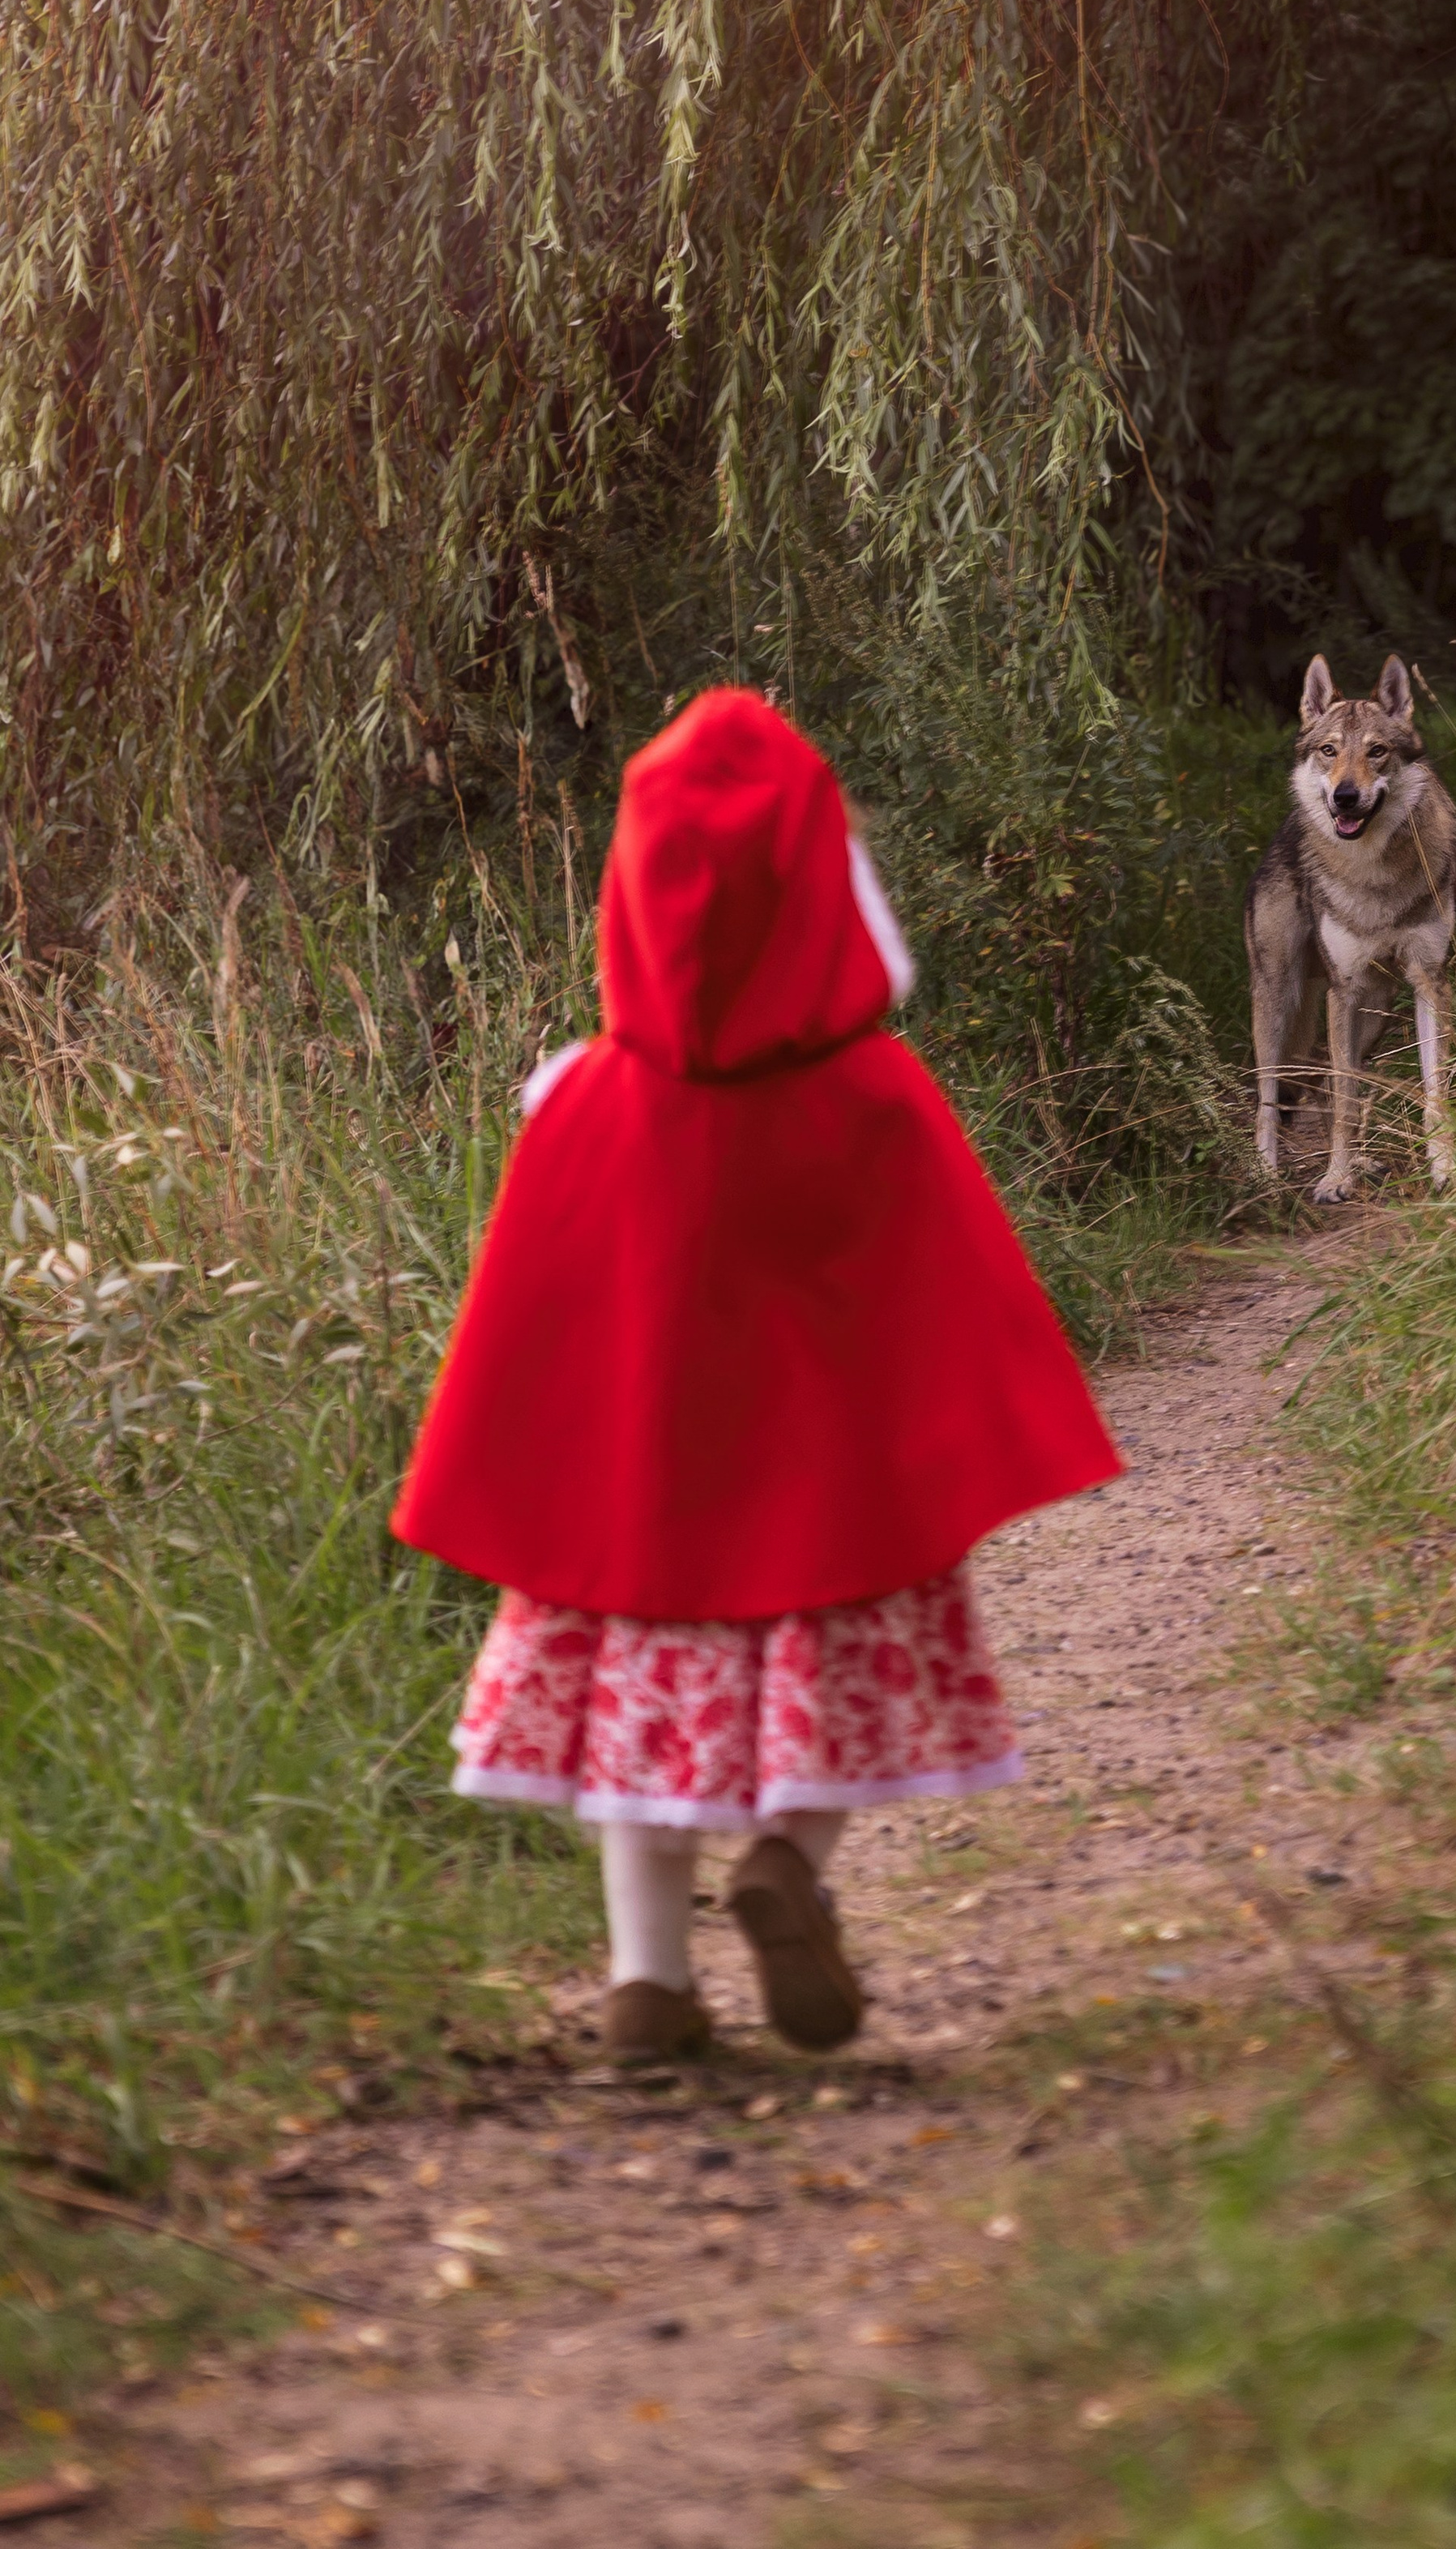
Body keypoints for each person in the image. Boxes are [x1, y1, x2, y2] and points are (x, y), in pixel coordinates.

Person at [391, 687, 1121, 2059]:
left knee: (633, 1747)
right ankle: (787, 1859)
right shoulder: (874, 1096)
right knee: (821, 1714)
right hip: (823, 1527)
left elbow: (532, 1324)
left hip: (634, 1526)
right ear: (819, 879)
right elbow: (951, 1298)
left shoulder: (582, 1103)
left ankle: (647, 1985)